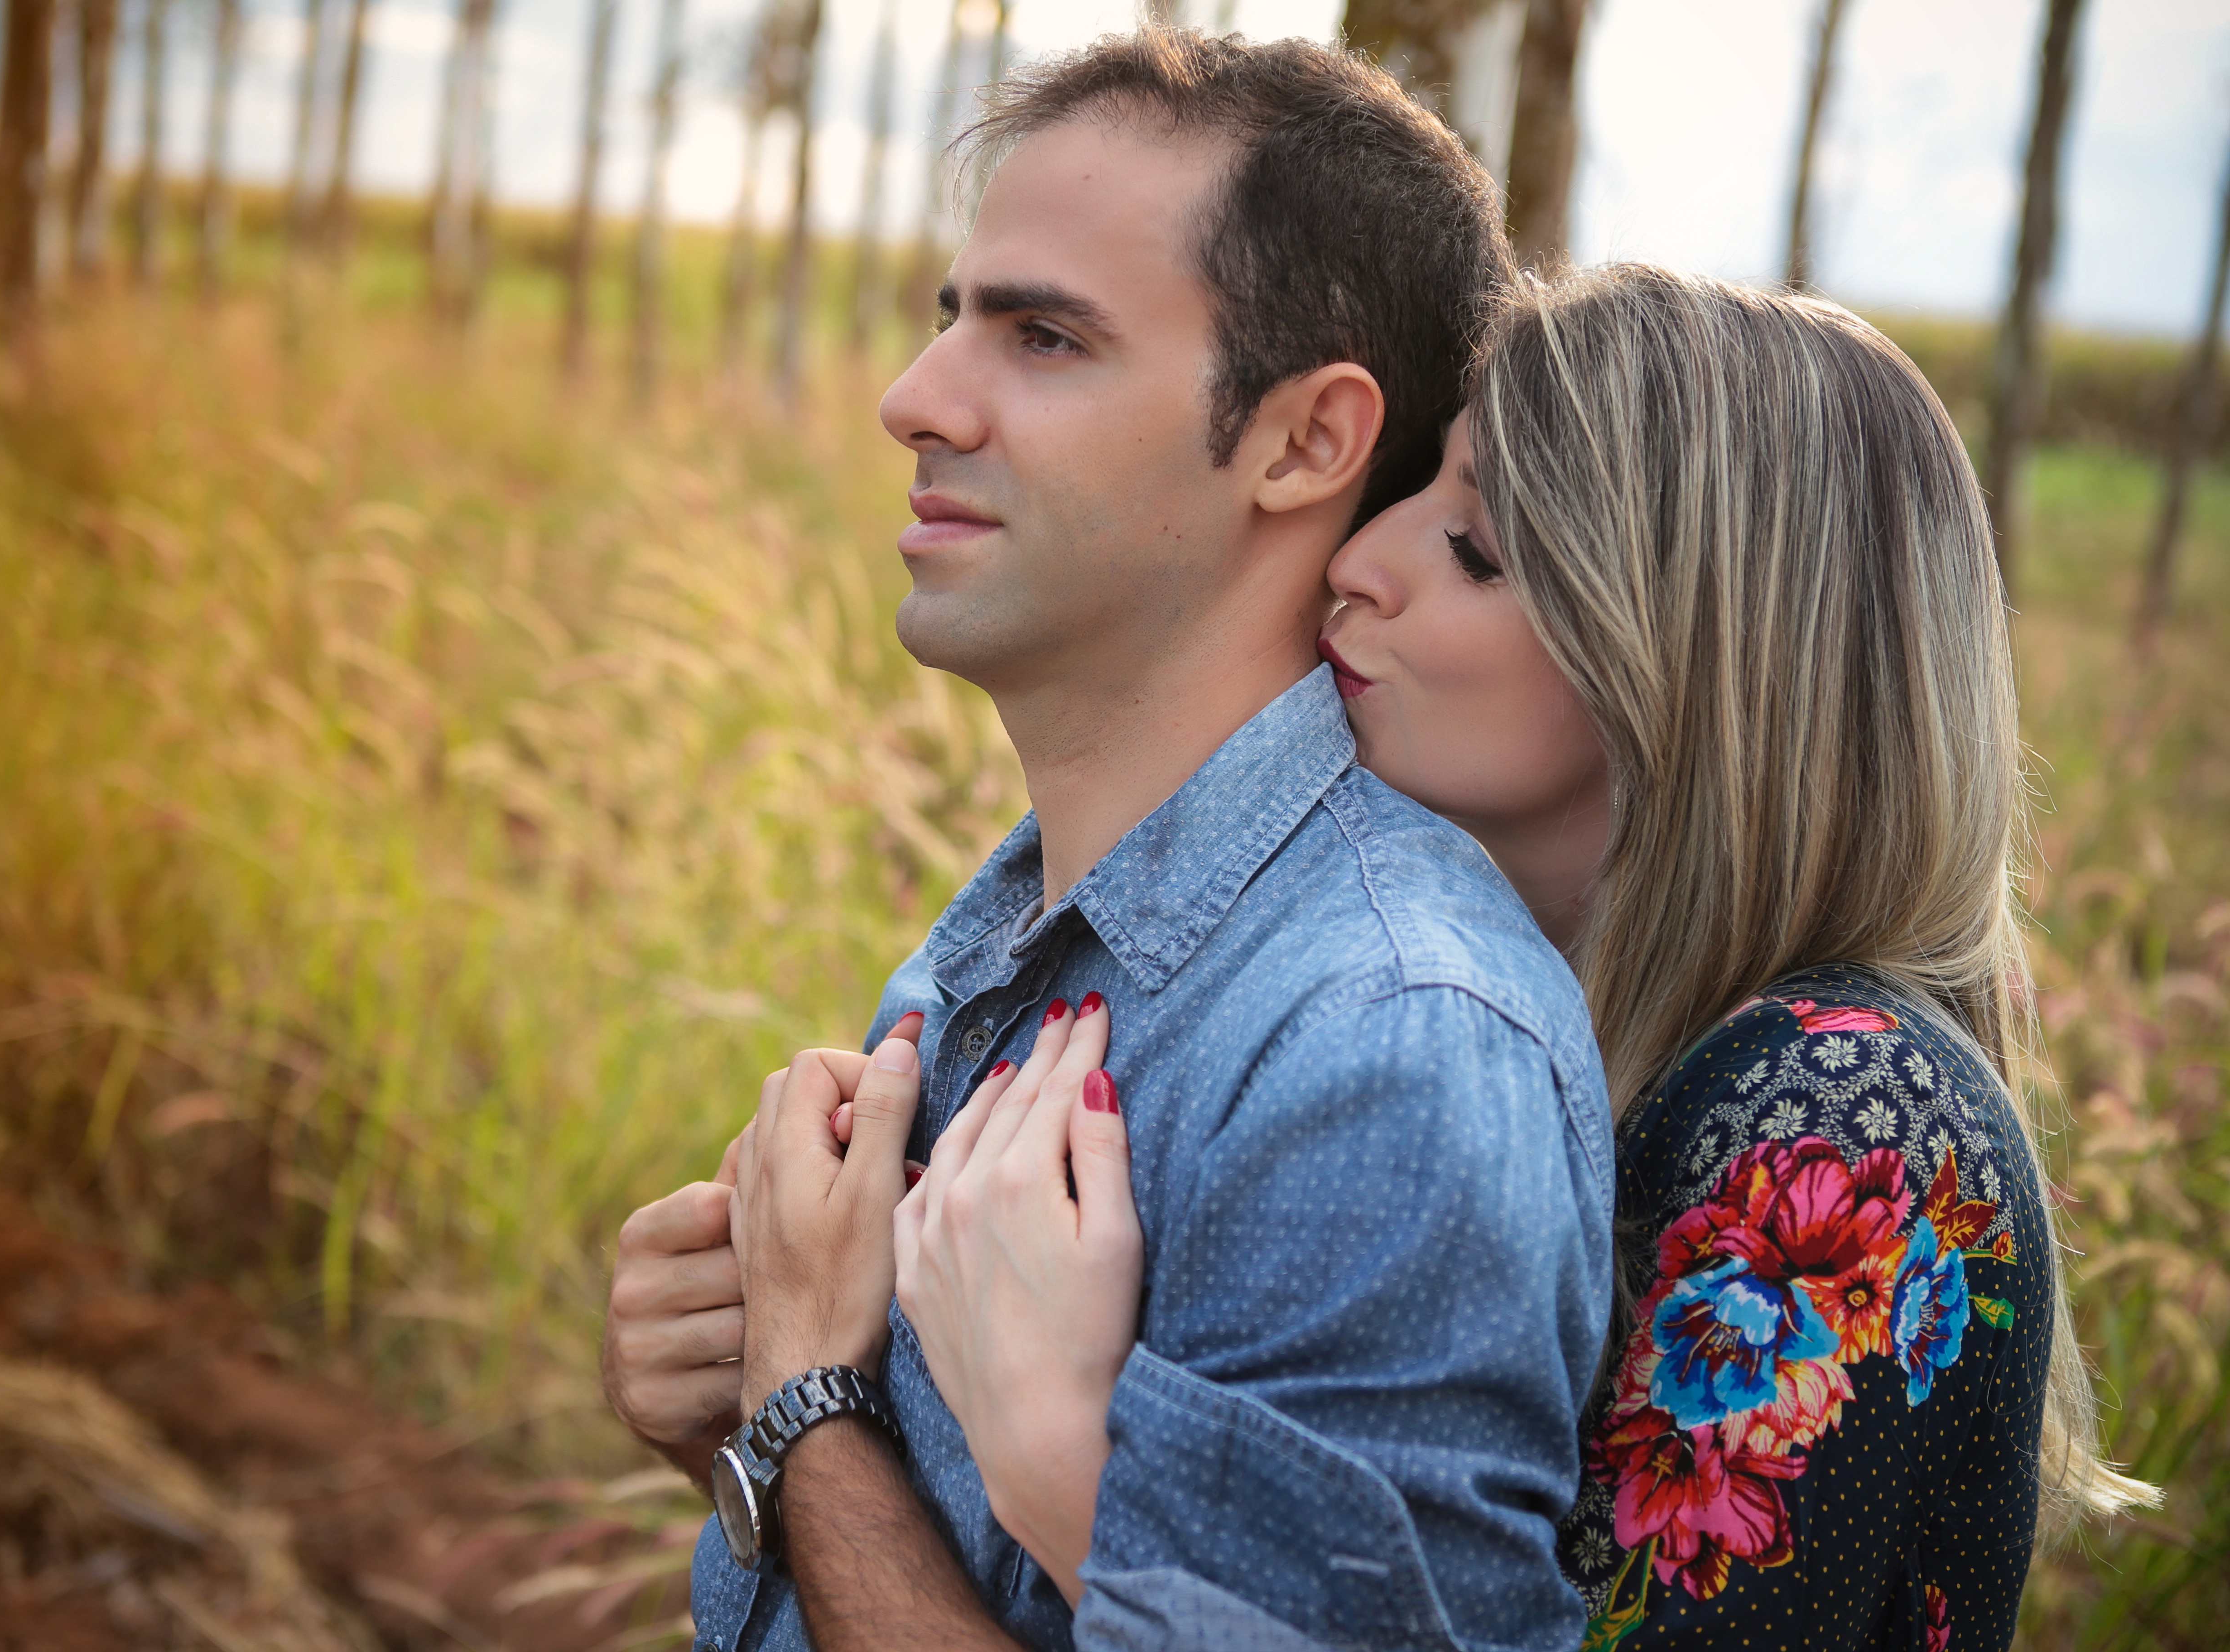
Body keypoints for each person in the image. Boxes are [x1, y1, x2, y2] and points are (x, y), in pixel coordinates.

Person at [887, 265, 2164, 1650]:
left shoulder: (1852, 1117)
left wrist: (1058, 1450)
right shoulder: (1495, 1021)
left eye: (1476, 550)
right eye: (1412, 499)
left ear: (1693, 663)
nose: (1359, 564)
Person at [599, 28, 1616, 1652]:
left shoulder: (1386, 1051)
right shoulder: (1042, 917)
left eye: (1046, 338)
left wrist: (803, 1404)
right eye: (952, 317)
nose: (915, 399)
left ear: (1303, 442)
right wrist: (736, 1432)